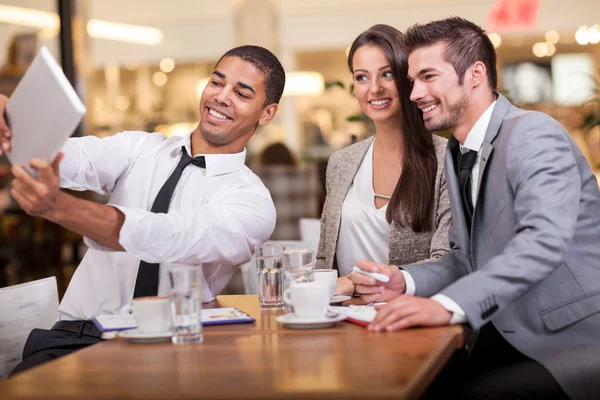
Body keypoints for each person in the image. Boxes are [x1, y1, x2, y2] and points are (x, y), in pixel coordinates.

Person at [352, 17, 600, 400]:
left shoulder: (532, 132)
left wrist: (448, 305)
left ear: (475, 74)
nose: (415, 93)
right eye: (413, 81)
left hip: (569, 339)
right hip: (501, 331)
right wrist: (407, 281)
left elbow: (543, 240)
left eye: (428, 77)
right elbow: (464, 258)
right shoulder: (456, 151)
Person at [0, 45, 285, 373]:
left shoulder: (252, 202)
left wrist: (58, 208)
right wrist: (13, 122)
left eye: (242, 93)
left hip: (174, 348)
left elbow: (168, 236)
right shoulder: (140, 148)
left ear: (266, 113)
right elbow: (69, 156)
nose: (221, 97)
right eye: (217, 82)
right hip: (78, 337)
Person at [314, 24, 451, 296]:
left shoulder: (446, 159)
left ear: (407, 77)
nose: (374, 88)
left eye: (387, 74)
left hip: (411, 322)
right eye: (361, 77)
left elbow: (447, 260)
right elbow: (324, 259)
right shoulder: (341, 162)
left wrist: (357, 281)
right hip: (343, 321)